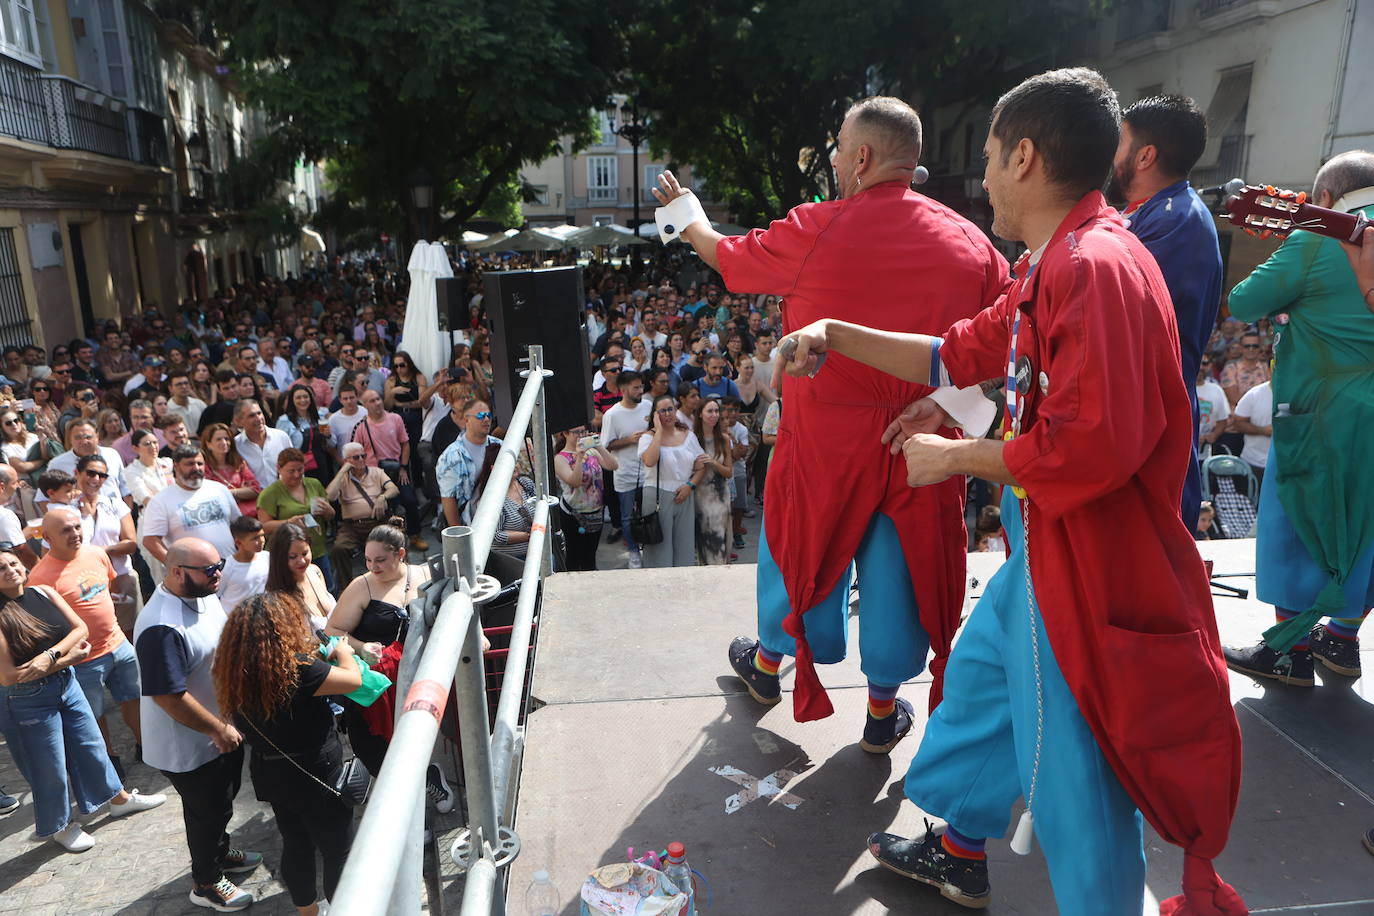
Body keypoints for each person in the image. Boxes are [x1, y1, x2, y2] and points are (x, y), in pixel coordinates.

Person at [773, 69, 1244, 915]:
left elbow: (1086, 449)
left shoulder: (1093, 266)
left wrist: (954, 460)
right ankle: (959, 850)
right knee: (984, 691)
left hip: (1085, 562)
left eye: (988, 157)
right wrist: (833, 333)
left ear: (1024, 156)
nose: (981, 177)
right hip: (1045, 551)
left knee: (1072, 781)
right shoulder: (1058, 259)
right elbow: (957, 352)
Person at [654, 97, 1001, 754]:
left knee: (803, 547)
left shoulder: (818, 228)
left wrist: (685, 214)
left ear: (862, 157)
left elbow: (726, 257)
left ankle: (766, 668)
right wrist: (948, 405)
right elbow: (1003, 347)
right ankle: (879, 713)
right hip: (921, 441)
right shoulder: (973, 244)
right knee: (902, 566)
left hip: (826, 441)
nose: (836, 160)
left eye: (839, 149)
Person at [1221, 150, 1374, 689]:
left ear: (1325, 199)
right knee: (1366, 526)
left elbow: (1244, 300)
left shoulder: (1316, 239)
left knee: (1299, 527)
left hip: (1320, 415)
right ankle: (1343, 639)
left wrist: (1293, 241)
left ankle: (1288, 651)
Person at [1106, 94, 1223, 532]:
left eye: (1120, 142)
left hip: (1151, 427)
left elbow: (1126, 328)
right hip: (1138, 420)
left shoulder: (1177, 220)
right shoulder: (1154, 213)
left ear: (1145, 155)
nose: (1109, 153)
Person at [0, 547, 165, 853]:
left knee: (92, 746)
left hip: (67, 685)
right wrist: (68, 657)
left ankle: (119, 800)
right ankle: (60, 827)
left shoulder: (44, 592)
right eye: (1, 568)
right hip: (28, 699)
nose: (10, 569)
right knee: (48, 765)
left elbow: (80, 629)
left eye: (13, 562)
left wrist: (50, 658)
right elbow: (10, 676)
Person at [134, 536, 262, 911]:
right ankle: (205, 882)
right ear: (177, 572)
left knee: (222, 804)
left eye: (218, 564)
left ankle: (219, 853)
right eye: (209, 569)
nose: (218, 573)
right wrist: (216, 729)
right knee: (206, 812)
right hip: (189, 744)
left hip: (218, 733)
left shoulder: (202, 596)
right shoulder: (161, 625)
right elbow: (169, 696)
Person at [213, 593, 357, 916]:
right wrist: (342, 651)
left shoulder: (234, 673)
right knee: (339, 851)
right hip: (318, 773)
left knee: (296, 844)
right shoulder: (299, 668)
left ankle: (308, 912)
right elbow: (352, 680)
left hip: (273, 775)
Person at [30, 508, 143, 774]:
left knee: (134, 698)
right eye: (65, 530)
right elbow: (47, 626)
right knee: (93, 713)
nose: (75, 534)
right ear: (47, 537)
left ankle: (144, 745)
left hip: (118, 644)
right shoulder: (40, 578)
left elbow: (109, 588)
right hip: (83, 660)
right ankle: (110, 759)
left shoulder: (97, 553)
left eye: (77, 527)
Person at [325, 523, 434, 781]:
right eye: (368, 560)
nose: (373, 567)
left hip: (419, 677)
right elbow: (332, 631)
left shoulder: (425, 575)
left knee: (416, 742)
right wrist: (362, 647)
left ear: (401, 554)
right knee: (374, 750)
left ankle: (427, 782)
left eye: (381, 560)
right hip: (376, 686)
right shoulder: (360, 586)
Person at [73, 454, 140, 636]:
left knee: (129, 630)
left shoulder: (115, 504)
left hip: (122, 576)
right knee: (96, 632)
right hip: (85, 582)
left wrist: (98, 552)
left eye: (102, 475)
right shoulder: (66, 509)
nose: (96, 479)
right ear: (76, 473)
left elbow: (131, 544)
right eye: (91, 473)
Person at [636, 394, 705, 569]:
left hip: (684, 492)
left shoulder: (688, 435)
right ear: (655, 415)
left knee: (685, 545)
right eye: (662, 411)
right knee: (660, 549)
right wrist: (658, 431)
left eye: (670, 409)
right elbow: (650, 460)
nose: (667, 414)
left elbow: (701, 466)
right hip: (657, 495)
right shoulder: (648, 438)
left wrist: (690, 485)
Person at [142, 444, 241, 565]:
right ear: (176, 466)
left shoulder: (220, 489)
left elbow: (238, 525)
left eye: (200, 464)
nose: (196, 468)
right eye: (189, 464)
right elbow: (150, 540)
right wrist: (176, 567)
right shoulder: (161, 501)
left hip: (232, 564)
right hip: (196, 573)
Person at [352, 389, 426, 551]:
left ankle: (415, 535)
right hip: (375, 474)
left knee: (410, 501)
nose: (377, 403)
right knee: (385, 508)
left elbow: (405, 444)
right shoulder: (361, 427)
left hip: (397, 469)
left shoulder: (395, 418)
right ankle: (388, 542)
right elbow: (356, 452)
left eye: (378, 398)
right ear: (364, 405)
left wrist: (404, 467)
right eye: (372, 401)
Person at [327, 441, 399, 583]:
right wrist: (343, 470)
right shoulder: (342, 479)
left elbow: (394, 489)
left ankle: (394, 576)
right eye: (355, 457)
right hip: (352, 526)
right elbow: (329, 496)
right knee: (338, 549)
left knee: (394, 541)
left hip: (377, 522)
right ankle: (345, 585)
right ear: (347, 460)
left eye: (363, 456)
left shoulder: (376, 472)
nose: (361, 460)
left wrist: (382, 496)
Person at [599, 371, 650, 562]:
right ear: (623, 389)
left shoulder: (647, 406)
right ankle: (634, 553)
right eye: (636, 387)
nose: (640, 390)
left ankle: (648, 549)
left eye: (641, 386)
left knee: (649, 514)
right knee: (627, 517)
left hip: (649, 472)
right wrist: (629, 440)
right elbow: (606, 445)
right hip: (624, 473)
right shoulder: (612, 414)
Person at [553, 426, 617, 571]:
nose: (580, 435)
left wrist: (599, 446)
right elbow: (574, 482)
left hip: (595, 512)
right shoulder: (560, 458)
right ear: (565, 433)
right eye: (576, 432)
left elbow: (613, 465)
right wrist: (580, 457)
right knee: (574, 558)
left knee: (590, 557)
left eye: (583, 432)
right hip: (574, 515)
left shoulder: (592, 452)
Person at [435, 397, 502, 527]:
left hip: (501, 520)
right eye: (481, 416)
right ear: (466, 420)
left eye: (488, 415)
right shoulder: (451, 456)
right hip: (472, 524)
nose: (487, 419)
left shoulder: (500, 446)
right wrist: (459, 535)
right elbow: (448, 499)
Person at [265, 524, 335, 630]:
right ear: (280, 558)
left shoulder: (315, 571)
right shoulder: (277, 595)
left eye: (305, 553)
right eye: (293, 557)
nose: (302, 561)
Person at [691, 397, 733, 565]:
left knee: (719, 540)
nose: (714, 415)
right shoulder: (692, 438)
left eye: (716, 411)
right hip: (699, 496)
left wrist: (714, 462)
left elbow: (729, 472)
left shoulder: (724, 439)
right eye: (710, 411)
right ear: (700, 414)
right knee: (703, 540)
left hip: (720, 497)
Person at [201, 422, 262, 518]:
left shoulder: (239, 463)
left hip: (250, 516)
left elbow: (256, 490)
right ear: (208, 444)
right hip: (223, 518)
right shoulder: (204, 469)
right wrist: (242, 492)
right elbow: (210, 497)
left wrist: (229, 493)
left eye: (227, 439)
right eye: (218, 439)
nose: (224, 443)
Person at [275, 385, 332, 485]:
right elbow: (280, 448)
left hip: (321, 464)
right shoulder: (284, 421)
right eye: (298, 397)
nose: (303, 400)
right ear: (292, 401)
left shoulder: (321, 415)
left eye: (305, 397)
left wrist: (328, 435)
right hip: (297, 467)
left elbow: (331, 444)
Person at [233, 399, 291, 488]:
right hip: (254, 499)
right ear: (238, 421)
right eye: (251, 415)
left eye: (259, 413)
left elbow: (295, 466)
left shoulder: (281, 437)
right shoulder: (236, 445)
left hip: (284, 495)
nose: (258, 418)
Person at [218, 516, 268, 614]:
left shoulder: (266, 557)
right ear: (239, 543)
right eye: (255, 538)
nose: (261, 540)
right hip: (234, 622)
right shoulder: (227, 568)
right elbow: (216, 596)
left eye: (262, 535)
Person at [1230, 378, 1272, 487]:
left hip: (1286, 464)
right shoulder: (1254, 394)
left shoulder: (1296, 394)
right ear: (1269, 370)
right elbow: (1237, 424)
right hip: (1254, 463)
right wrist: (1263, 430)